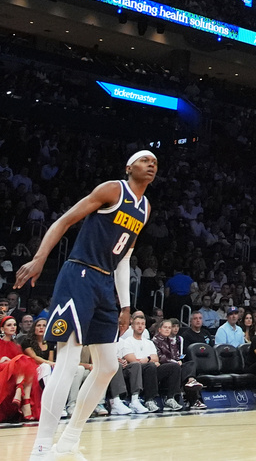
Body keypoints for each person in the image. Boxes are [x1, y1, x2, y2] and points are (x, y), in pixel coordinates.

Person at [18, 150, 155, 459]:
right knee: (67, 363)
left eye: (155, 163)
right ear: (128, 166)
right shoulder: (112, 189)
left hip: (106, 283)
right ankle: (40, 448)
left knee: (106, 366)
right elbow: (65, 220)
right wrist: (39, 258)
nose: (151, 165)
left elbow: (125, 259)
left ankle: (69, 440)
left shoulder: (144, 208)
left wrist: (125, 305)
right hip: (79, 274)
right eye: (145, 160)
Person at [1, 314, 38, 421]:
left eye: (14, 325)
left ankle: (19, 390)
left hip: (16, 375)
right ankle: (23, 399)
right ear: (2, 328)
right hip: (3, 371)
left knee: (25, 361)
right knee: (22, 360)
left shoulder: (17, 346)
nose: (13, 327)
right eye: (9, 325)